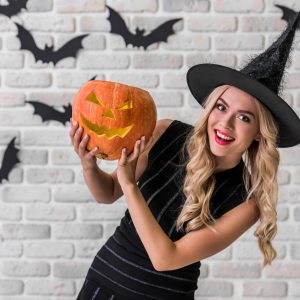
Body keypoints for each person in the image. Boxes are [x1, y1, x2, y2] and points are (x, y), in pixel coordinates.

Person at [71, 11, 300, 300]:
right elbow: (108, 193)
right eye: (221, 107)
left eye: (244, 118)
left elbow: (166, 258)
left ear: (259, 132)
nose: (225, 124)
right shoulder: (167, 132)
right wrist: (89, 164)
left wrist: (130, 186)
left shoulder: (246, 203)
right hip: (104, 281)